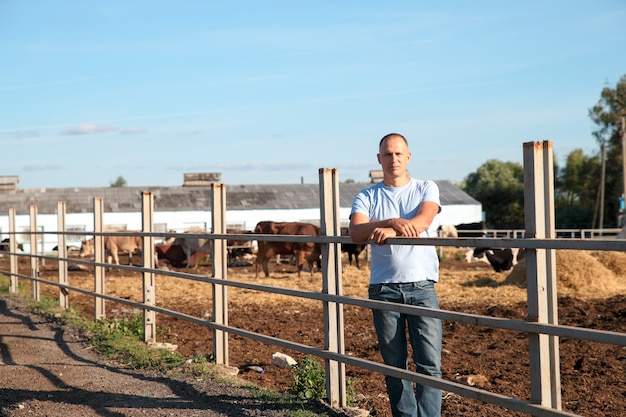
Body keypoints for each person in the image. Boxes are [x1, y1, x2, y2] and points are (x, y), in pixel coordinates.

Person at [349, 133, 442, 417]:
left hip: (422, 285)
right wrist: (390, 221)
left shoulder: (426, 187)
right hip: (384, 287)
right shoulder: (366, 196)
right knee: (394, 364)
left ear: (408, 157)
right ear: (379, 159)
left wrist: (390, 231)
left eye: (399, 154)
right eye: (388, 154)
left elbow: (423, 221)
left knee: (429, 363)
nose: (394, 159)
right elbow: (355, 233)